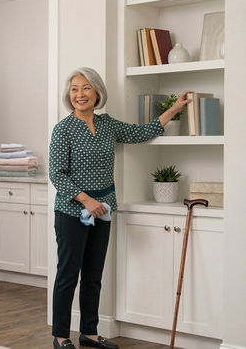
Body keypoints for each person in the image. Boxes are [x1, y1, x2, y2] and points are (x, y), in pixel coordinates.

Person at [49, 67, 190, 349]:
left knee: (94, 275)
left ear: (98, 92)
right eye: (75, 89)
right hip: (72, 211)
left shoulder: (108, 124)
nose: (80, 94)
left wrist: (174, 108)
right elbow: (56, 173)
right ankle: (61, 336)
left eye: (86, 88)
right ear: (69, 95)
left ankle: (89, 333)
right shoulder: (63, 129)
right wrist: (87, 200)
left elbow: (142, 132)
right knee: (68, 274)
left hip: (105, 210)